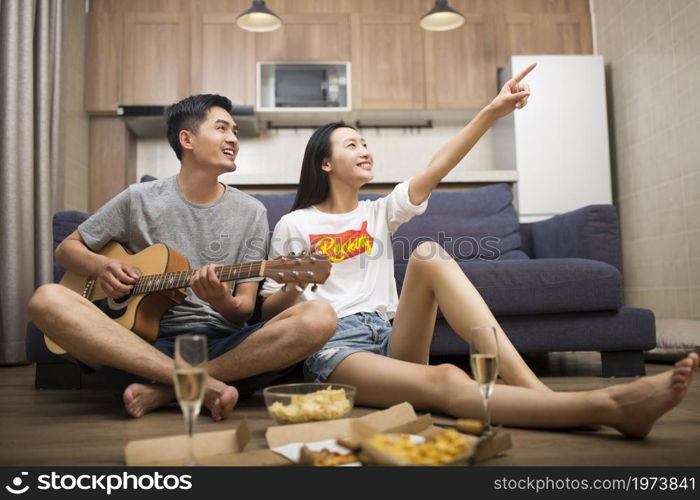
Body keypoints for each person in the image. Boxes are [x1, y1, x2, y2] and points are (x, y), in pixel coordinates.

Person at [261, 63, 698, 438]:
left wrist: (494, 110)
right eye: (352, 144)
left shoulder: (378, 213)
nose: (365, 149)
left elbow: (439, 163)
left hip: (391, 334)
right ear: (324, 163)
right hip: (338, 349)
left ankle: (536, 394)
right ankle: (609, 409)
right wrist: (296, 289)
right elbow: (267, 313)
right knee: (449, 378)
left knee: (428, 253)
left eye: (365, 142)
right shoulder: (295, 224)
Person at [27, 94, 337, 421]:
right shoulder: (138, 199)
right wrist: (103, 266)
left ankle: (170, 388)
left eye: (235, 131)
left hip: (225, 349)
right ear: (186, 139)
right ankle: (199, 385)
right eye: (221, 128)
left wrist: (221, 301)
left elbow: (244, 309)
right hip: (137, 346)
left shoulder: (251, 212)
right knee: (45, 299)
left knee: (320, 316)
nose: (233, 138)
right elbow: (68, 249)